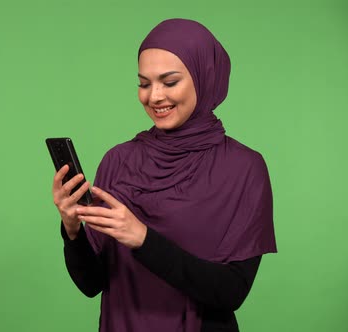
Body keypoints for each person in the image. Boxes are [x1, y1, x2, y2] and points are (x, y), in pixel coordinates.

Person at [51, 18, 277, 332]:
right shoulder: (119, 160)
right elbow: (92, 283)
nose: (154, 96)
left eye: (169, 82)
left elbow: (231, 292)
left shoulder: (244, 168)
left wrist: (143, 239)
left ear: (204, 77)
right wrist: (72, 229)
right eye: (144, 83)